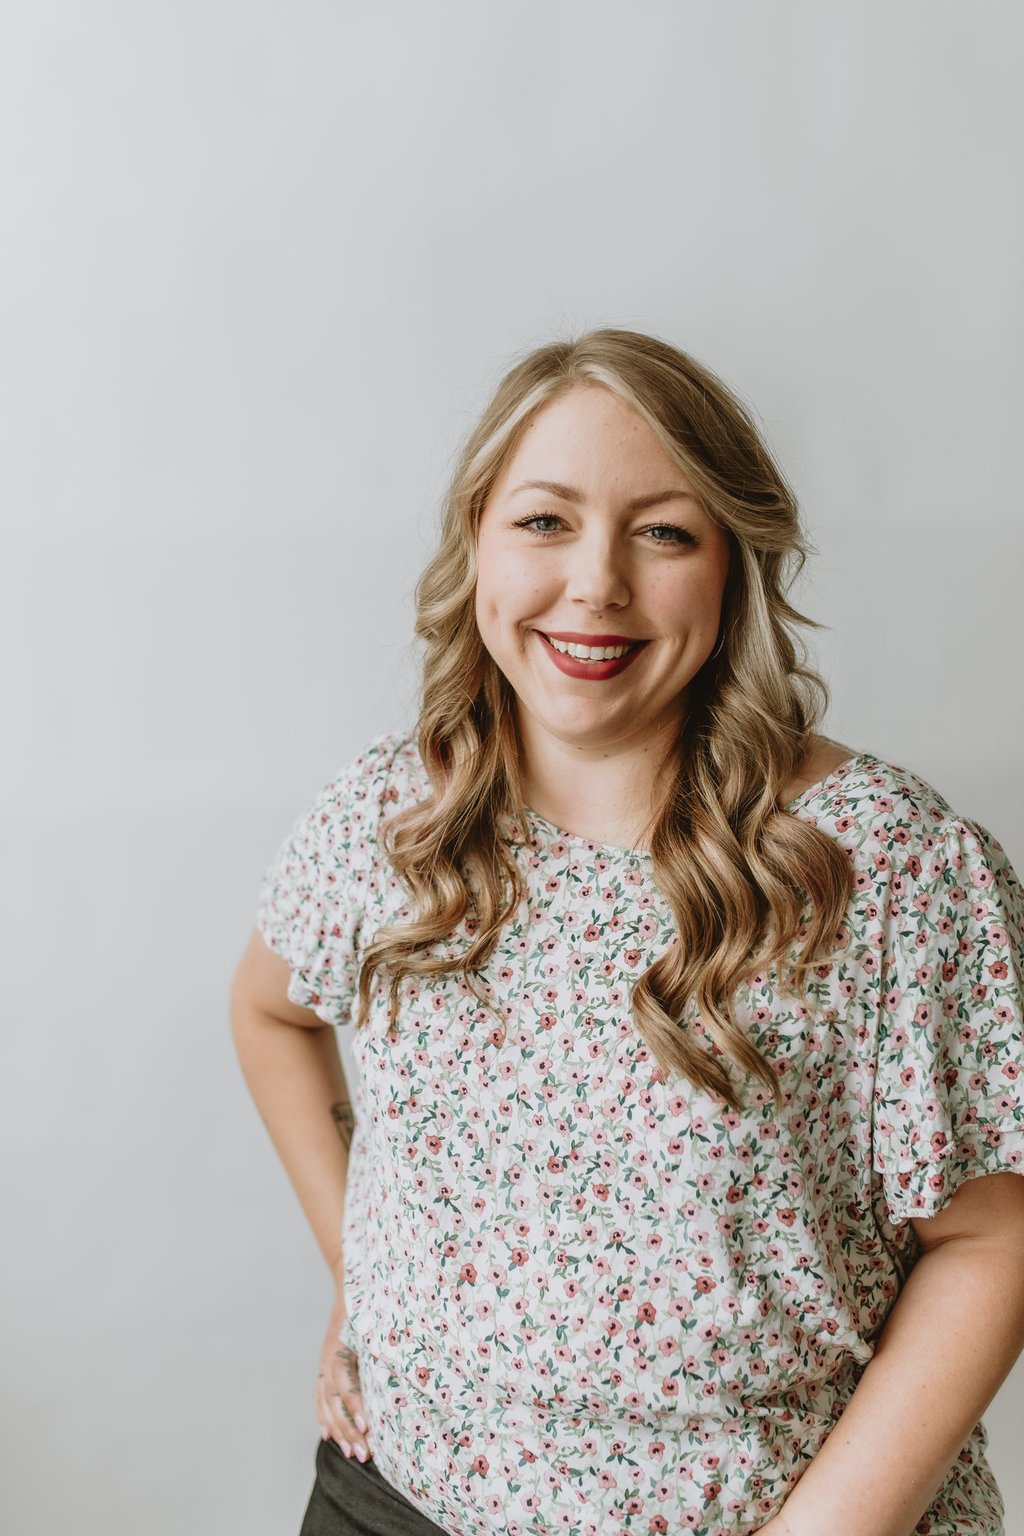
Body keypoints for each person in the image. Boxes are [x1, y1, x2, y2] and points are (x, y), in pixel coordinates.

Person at [229, 328, 1024, 1536]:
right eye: (545, 521)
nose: (596, 582)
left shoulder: (885, 865)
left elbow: (994, 1235)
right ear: (478, 544)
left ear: (730, 568)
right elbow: (269, 1008)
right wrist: (365, 1269)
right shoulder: (388, 821)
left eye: (663, 532)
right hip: (392, 1502)